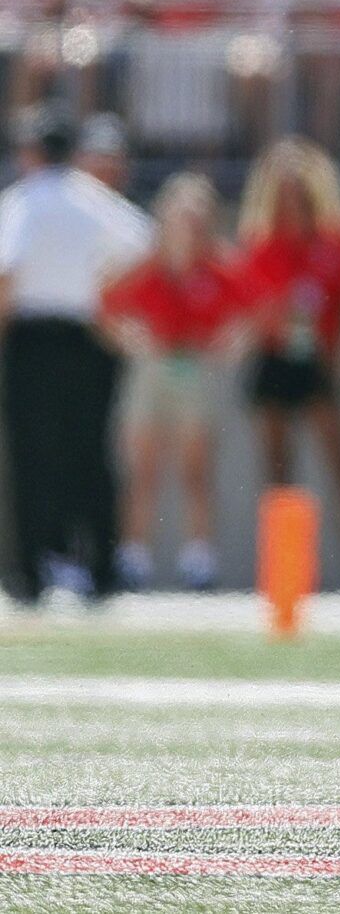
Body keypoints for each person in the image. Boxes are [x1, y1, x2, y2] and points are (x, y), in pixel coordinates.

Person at [0, 106, 153, 602]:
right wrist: (99, 288)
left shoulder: (23, 200)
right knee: (91, 452)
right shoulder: (95, 198)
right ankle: (102, 568)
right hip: (91, 338)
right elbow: (143, 242)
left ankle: (31, 570)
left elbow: (7, 274)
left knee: (32, 455)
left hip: (34, 338)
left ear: (32, 151)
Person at [237, 139, 340, 587]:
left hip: (319, 359)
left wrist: (338, 347)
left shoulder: (335, 239)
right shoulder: (259, 241)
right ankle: (283, 573)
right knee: (277, 470)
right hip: (275, 358)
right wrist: (276, 313)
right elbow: (249, 302)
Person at [100, 172, 245, 592]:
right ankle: (133, 557)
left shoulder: (219, 265)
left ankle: (199, 558)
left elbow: (250, 309)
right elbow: (106, 306)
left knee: (195, 468)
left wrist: (232, 342)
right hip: (153, 364)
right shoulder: (146, 264)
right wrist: (129, 338)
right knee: (143, 469)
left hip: (194, 365)